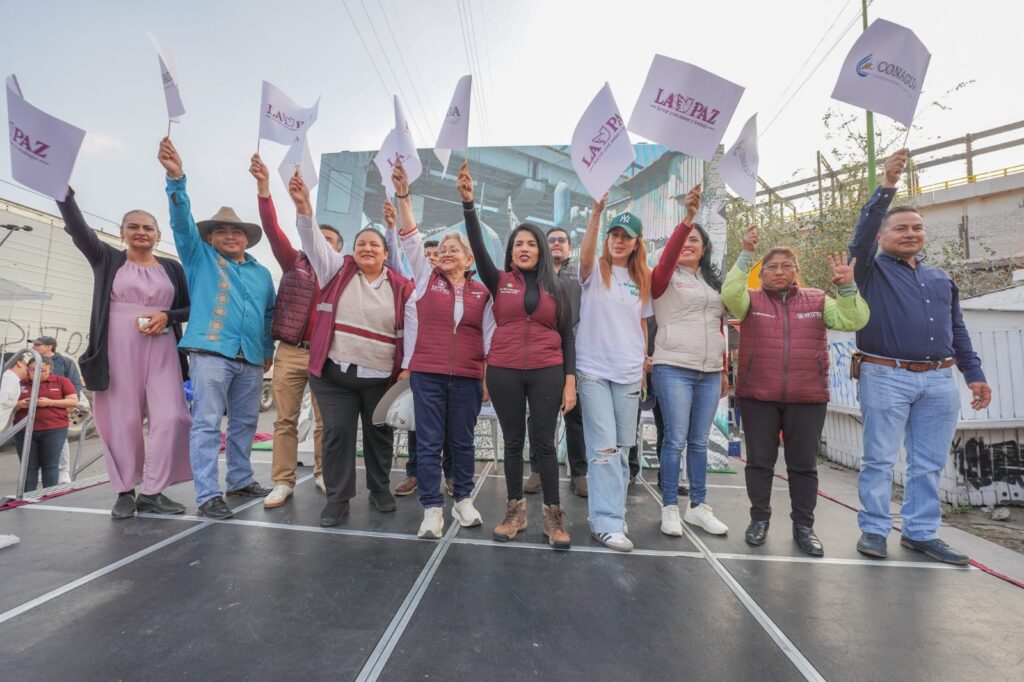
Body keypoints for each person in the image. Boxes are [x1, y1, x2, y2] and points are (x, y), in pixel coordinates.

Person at [849, 149, 992, 565]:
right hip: (884, 374)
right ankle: (874, 530)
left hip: (938, 380)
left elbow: (958, 331)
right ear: (882, 236)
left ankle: (920, 532)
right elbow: (859, 236)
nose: (910, 233)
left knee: (928, 463)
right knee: (878, 459)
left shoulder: (939, 278)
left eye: (917, 228)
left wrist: (974, 374)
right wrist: (887, 187)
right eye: (900, 228)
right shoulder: (869, 270)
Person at [722, 226, 869, 556]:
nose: (778, 272)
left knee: (803, 465)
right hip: (758, 394)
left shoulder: (818, 299)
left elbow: (853, 320)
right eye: (771, 267)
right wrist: (746, 254)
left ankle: (804, 527)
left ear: (796, 272)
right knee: (760, 462)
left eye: (786, 266)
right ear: (762, 274)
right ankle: (759, 520)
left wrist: (847, 287)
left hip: (807, 397)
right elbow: (729, 294)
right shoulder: (751, 300)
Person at [56, 186, 193, 518]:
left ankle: (152, 491)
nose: (141, 232)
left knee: (172, 416)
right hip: (115, 350)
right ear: (122, 233)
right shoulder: (107, 258)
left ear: (158, 236)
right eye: (134, 226)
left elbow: (190, 308)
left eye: (148, 227)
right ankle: (124, 490)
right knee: (121, 421)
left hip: (162, 349)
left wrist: (167, 316)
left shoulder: (172, 268)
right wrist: (66, 198)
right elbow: (79, 231)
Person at [158, 137, 276, 520]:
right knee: (207, 424)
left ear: (246, 238)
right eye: (222, 231)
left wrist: (268, 351)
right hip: (210, 353)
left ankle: (239, 479)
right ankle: (208, 493)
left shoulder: (261, 274)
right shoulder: (198, 257)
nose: (230, 236)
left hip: (252, 359)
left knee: (245, 422)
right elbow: (180, 223)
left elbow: (269, 315)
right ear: (209, 237)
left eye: (237, 231)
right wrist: (177, 181)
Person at [288, 172, 413, 528]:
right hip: (335, 377)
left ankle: (379, 489)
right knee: (337, 436)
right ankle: (337, 498)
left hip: (381, 380)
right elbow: (312, 240)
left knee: (379, 435)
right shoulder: (334, 271)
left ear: (387, 254)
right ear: (351, 251)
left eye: (375, 245)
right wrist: (303, 207)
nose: (367, 249)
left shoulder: (401, 286)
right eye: (361, 244)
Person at [460, 162, 575, 548]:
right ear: (510, 252)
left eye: (530, 243)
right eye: (517, 244)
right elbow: (476, 245)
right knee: (512, 443)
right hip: (504, 371)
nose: (524, 248)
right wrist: (469, 206)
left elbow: (567, 338)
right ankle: (514, 513)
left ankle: (553, 517)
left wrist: (569, 381)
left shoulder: (558, 287)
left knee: (543, 444)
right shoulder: (498, 280)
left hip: (548, 371)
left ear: (541, 249)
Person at [390, 160, 494, 538]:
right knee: (430, 441)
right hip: (428, 375)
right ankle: (432, 509)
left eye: (455, 249)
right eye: (443, 249)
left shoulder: (483, 292)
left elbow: (489, 340)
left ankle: (463, 500)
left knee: (462, 441)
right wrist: (404, 194)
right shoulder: (424, 277)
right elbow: (409, 236)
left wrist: (485, 378)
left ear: (469, 260)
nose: (446, 253)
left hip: (467, 379)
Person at [249, 154, 340, 508]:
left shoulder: (341, 273)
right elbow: (271, 228)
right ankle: (282, 481)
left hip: (325, 354)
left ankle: (322, 473)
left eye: (331, 240)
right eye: (320, 236)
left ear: (338, 249)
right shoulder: (293, 261)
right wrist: (264, 188)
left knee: (324, 421)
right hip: (289, 351)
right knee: (284, 420)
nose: (325, 242)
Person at [650, 184, 730, 537]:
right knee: (675, 439)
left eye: (694, 241)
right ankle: (670, 506)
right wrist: (687, 220)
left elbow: (719, 327)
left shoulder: (713, 285)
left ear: (704, 250)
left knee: (699, 441)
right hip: (673, 368)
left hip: (710, 372)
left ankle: (698, 506)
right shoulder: (663, 278)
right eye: (683, 240)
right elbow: (667, 257)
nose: (687, 245)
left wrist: (723, 369)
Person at [576, 196, 653, 552]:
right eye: (614, 234)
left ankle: (608, 514)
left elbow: (641, 323)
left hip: (627, 374)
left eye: (627, 236)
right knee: (603, 448)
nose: (619, 240)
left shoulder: (643, 278)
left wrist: (643, 365)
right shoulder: (594, 270)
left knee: (622, 450)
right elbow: (585, 255)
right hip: (593, 370)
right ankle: (606, 523)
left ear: (637, 242)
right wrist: (595, 215)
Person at [522, 225, 587, 497]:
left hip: (574, 354)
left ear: (570, 248)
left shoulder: (581, 279)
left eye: (562, 240)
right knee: (538, 418)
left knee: (575, 417)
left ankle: (579, 472)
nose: (557, 244)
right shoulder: (533, 279)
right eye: (551, 241)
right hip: (541, 355)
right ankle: (537, 469)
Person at [389, 232, 454, 499]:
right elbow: (410, 332)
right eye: (425, 255)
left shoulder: (458, 290)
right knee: (418, 425)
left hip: (451, 367)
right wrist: (408, 364)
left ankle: (451, 476)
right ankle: (414, 473)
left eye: (435, 255)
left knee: (451, 425)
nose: (430, 259)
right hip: (418, 366)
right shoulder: (410, 288)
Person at [13, 356, 78, 491]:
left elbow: (73, 401)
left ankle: (49, 496)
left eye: (42, 370)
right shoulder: (19, 383)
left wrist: (50, 402)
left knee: (50, 465)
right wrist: (19, 404)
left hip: (54, 430)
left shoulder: (61, 381)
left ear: (50, 370)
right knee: (28, 466)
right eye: (32, 369)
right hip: (24, 431)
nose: (36, 373)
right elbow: (6, 405)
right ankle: (27, 496)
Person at [31, 335, 84, 484]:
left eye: (37, 344)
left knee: (60, 440)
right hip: (38, 408)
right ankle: (45, 470)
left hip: (58, 407)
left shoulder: (65, 362)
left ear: (49, 347)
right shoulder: (33, 361)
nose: (34, 347)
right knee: (38, 440)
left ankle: (63, 472)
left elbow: (75, 383)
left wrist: (71, 403)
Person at [1, 352, 30, 432]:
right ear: (19, 363)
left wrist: (18, 404)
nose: (27, 368)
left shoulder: (9, 378)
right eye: (26, 365)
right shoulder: (8, 379)